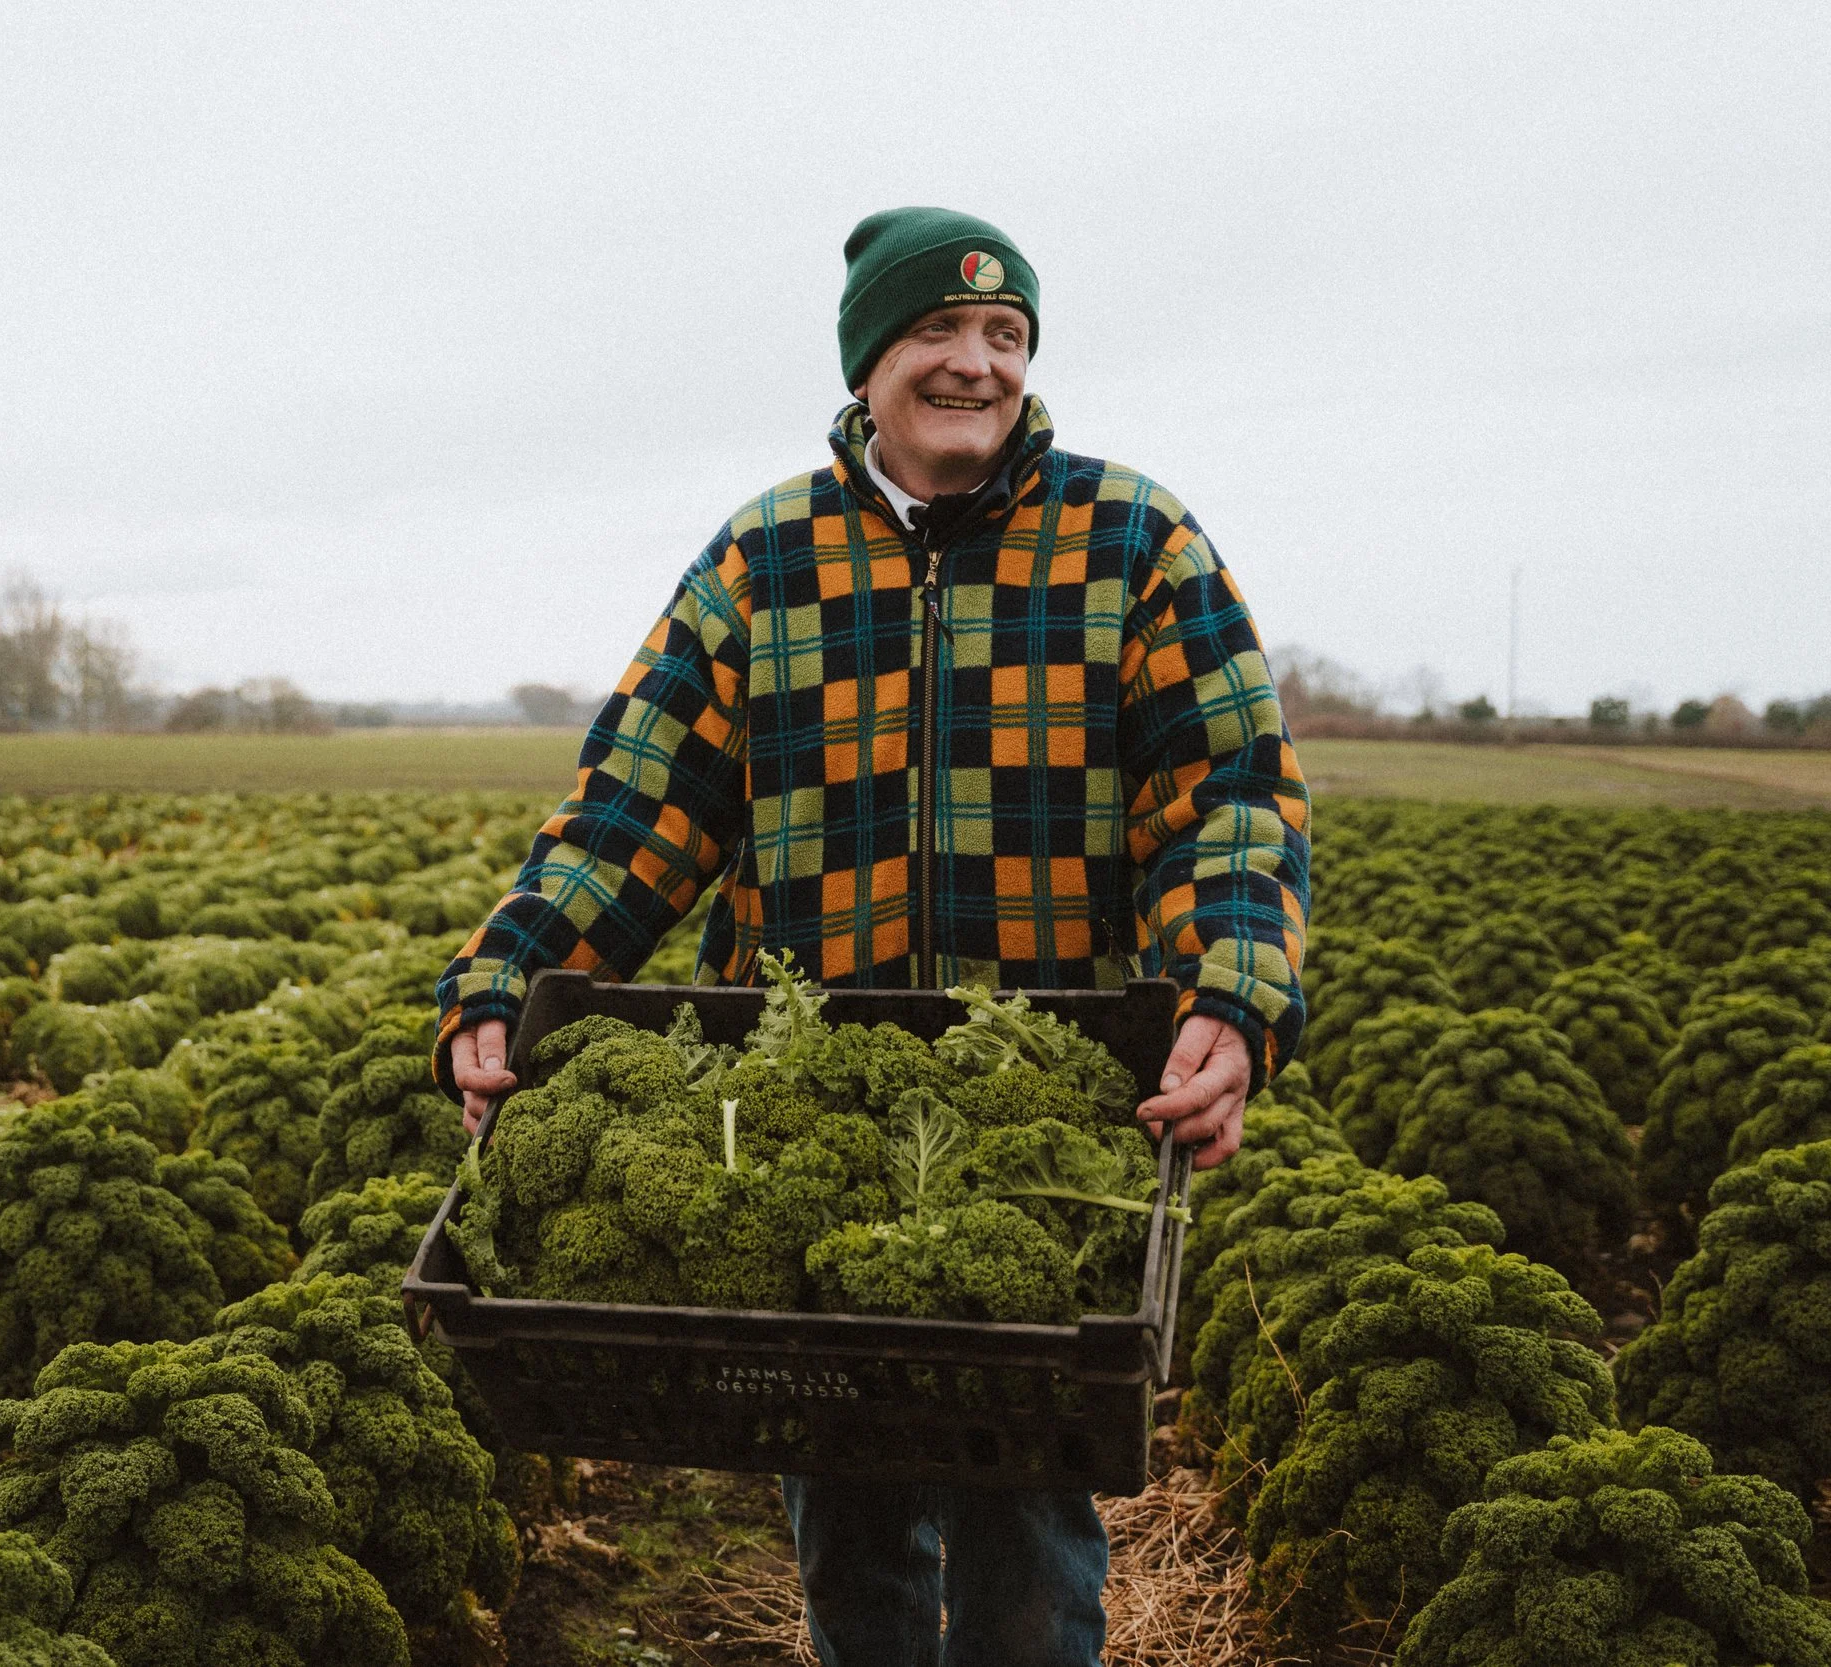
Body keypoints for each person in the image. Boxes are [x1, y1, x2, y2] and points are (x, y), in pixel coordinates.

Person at [433, 206, 1310, 1667]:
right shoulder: (766, 558)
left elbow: (1225, 792)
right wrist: (506, 979)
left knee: (1031, 1540)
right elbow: (635, 809)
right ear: (871, 366)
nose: (977, 363)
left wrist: (1230, 986)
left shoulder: (1135, 541)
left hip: (1040, 1118)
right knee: (847, 1531)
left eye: (1006, 335)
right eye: (939, 334)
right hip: (798, 1112)